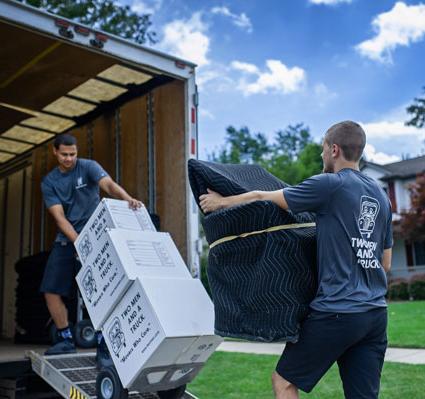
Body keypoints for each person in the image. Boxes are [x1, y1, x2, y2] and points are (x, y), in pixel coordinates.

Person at [199, 121, 392, 399]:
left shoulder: (331, 185)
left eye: (324, 149)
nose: (322, 155)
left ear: (334, 149)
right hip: (375, 316)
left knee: (284, 381)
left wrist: (221, 203)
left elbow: (263, 197)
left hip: (337, 311)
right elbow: (384, 265)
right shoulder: (381, 197)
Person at [40, 133, 143, 357]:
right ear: (55, 152)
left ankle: (104, 343)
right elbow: (59, 218)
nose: (69, 159)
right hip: (68, 240)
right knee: (50, 291)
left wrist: (127, 198)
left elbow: (109, 185)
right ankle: (65, 339)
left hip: (97, 238)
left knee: (101, 292)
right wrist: (79, 244)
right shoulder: (50, 182)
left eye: (73, 154)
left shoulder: (88, 167)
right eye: (64, 155)